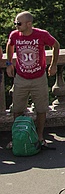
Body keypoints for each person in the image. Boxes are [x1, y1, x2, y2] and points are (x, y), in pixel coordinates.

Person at [6, 12, 59, 148]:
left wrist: (53, 65)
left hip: (39, 78)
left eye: (19, 23)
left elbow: (56, 45)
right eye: (15, 23)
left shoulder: (41, 34)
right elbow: (9, 45)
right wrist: (9, 63)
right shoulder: (15, 35)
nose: (16, 26)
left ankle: (40, 137)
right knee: (17, 109)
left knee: (41, 109)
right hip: (21, 78)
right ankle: (17, 137)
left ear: (29, 24)